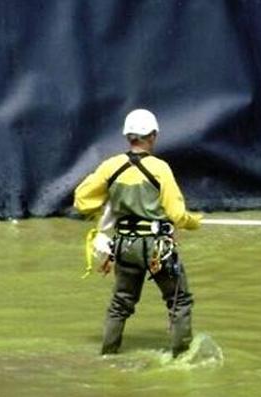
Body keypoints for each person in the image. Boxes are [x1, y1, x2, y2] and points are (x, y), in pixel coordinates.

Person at [73, 109, 202, 357]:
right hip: (157, 248)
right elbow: (177, 215)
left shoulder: (110, 166)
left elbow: (82, 200)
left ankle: (108, 354)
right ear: (152, 136)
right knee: (179, 301)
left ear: (128, 137)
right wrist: (194, 222)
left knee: (120, 304)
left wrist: (105, 209)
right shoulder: (160, 168)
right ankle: (182, 358)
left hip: (125, 247)